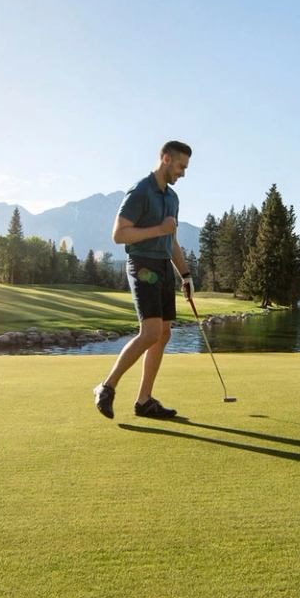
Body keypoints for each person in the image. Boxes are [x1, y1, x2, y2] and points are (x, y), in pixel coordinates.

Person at [93, 140, 194, 420]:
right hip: (142, 265)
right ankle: (106, 386)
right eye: (180, 166)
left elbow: (171, 240)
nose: (183, 173)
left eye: (186, 168)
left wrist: (185, 274)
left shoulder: (172, 198)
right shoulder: (140, 191)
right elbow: (119, 235)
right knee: (150, 332)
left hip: (162, 266)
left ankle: (144, 401)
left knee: (163, 333)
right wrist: (158, 228)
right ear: (165, 159)